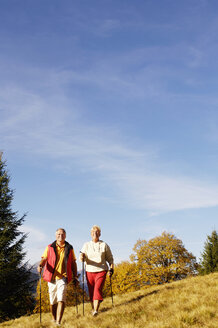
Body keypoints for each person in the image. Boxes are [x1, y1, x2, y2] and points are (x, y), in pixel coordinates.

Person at [37, 228, 78, 326]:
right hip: (51, 277)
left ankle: (58, 322)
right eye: (59, 234)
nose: (61, 236)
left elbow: (73, 263)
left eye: (62, 234)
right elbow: (44, 259)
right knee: (52, 302)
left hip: (63, 277)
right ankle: (54, 318)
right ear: (55, 236)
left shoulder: (69, 248)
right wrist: (40, 265)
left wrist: (75, 276)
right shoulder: (49, 247)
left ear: (65, 235)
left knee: (61, 299)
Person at [80, 225, 114, 316]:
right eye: (93, 232)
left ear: (100, 234)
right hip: (89, 271)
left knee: (97, 289)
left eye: (97, 232)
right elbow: (81, 257)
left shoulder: (104, 245)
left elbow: (110, 259)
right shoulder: (86, 245)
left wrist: (111, 269)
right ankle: (93, 309)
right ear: (91, 234)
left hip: (101, 270)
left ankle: (95, 310)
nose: (95, 233)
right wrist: (82, 257)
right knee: (91, 292)